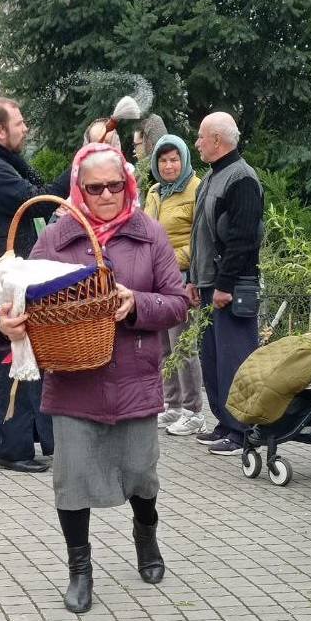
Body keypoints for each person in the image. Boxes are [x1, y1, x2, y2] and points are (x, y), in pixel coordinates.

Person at [0, 143, 189, 613]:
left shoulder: (149, 235)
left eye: (114, 186)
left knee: (142, 477)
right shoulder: (57, 239)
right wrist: (8, 325)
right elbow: (17, 301)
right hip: (73, 381)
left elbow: (178, 302)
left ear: (128, 184)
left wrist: (136, 304)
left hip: (134, 377)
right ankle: (79, 571)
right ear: (78, 191)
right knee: (72, 480)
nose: (106, 195)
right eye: (94, 188)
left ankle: (146, 537)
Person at [0, 97, 71, 473]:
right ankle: (12, 449)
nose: (25, 128)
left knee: (24, 353)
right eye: (19, 123)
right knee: (14, 357)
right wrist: (78, 165)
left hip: (10, 272)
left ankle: (1, 426)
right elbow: (38, 202)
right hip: (3, 279)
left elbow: (34, 186)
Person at [187, 112, 263, 456]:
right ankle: (224, 422)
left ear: (217, 141)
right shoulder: (212, 176)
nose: (197, 143)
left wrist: (224, 285)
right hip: (207, 284)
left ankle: (243, 430)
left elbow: (243, 239)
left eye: (201, 137)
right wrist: (193, 280)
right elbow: (198, 235)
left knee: (236, 359)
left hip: (231, 287)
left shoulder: (242, 179)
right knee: (213, 358)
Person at [144, 134, 204, 435]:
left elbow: (200, 240)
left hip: (181, 279)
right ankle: (172, 405)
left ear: (183, 159)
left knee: (183, 346)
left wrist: (167, 258)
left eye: (174, 159)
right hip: (156, 280)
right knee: (164, 346)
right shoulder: (155, 191)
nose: (169, 165)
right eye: (163, 160)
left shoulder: (196, 189)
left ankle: (194, 411)